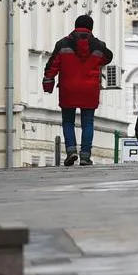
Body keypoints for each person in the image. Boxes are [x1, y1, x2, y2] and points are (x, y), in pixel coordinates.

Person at [42, 14, 113, 166]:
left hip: (68, 89)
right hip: (89, 90)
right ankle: (85, 156)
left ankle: (71, 151)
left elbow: (52, 66)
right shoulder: (98, 46)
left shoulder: (62, 44)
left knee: (68, 121)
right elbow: (109, 57)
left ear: (75, 26)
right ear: (91, 28)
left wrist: (48, 82)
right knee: (88, 122)